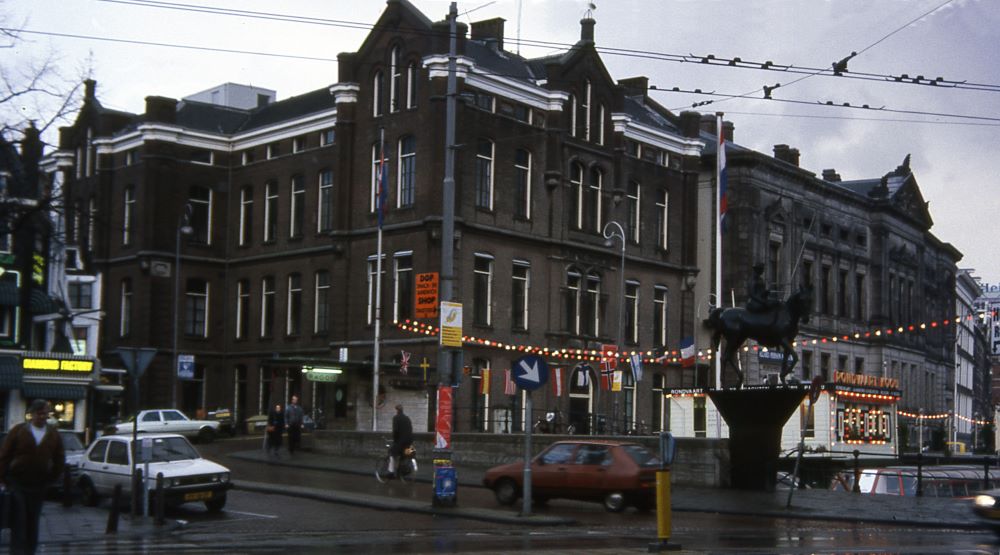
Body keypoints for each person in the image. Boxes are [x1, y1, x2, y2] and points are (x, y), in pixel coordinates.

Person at [0, 399, 65, 555]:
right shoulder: (18, 431)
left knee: (33, 519)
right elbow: (5, 455)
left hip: (39, 483)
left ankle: (30, 550)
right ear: (32, 414)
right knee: (19, 518)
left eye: (45, 414)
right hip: (17, 481)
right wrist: (2, 477)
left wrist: (53, 477)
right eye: (39, 413)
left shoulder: (53, 434)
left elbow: (59, 457)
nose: (42, 417)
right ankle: (17, 551)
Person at [388, 404, 413, 478]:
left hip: (401, 442)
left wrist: (395, 440)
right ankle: (400, 471)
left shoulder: (396, 418)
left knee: (391, 453)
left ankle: (391, 473)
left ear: (397, 411)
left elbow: (395, 431)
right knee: (403, 455)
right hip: (409, 442)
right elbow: (410, 430)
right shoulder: (407, 418)